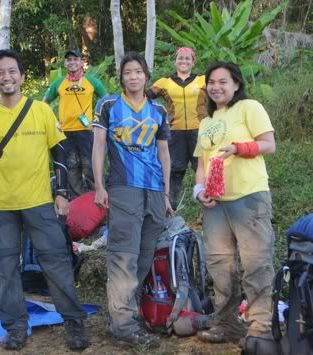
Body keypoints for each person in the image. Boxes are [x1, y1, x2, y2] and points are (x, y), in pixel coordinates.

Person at [0, 50, 90, 352]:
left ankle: (73, 321)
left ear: (22, 77)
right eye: (0, 73)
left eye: (12, 71)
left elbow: (59, 154)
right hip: (0, 207)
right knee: (6, 266)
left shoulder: (41, 111)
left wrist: (61, 193)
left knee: (56, 260)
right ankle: (15, 326)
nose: (6, 77)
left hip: (39, 202)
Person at [91, 51, 172, 348]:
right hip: (124, 187)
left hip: (154, 191)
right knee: (123, 255)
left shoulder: (158, 110)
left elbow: (164, 153)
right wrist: (99, 186)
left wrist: (166, 194)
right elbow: (98, 146)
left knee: (144, 256)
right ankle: (123, 326)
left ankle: (126, 316)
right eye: (128, 73)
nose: (133, 77)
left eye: (138, 72)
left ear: (146, 76)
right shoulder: (109, 105)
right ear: (122, 78)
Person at [193, 62, 276, 349]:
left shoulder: (249, 108)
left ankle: (260, 328)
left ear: (236, 84)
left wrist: (240, 148)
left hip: (249, 198)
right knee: (219, 265)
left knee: (256, 264)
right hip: (215, 204)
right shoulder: (206, 122)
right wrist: (198, 190)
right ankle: (227, 323)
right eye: (211, 82)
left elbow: (269, 144)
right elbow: (202, 164)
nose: (216, 87)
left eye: (223, 81)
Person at [147, 46, 206, 209]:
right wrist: (154, 119)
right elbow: (144, 98)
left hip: (200, 132)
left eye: (188, 58)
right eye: (180, 58)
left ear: (193, 62)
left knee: (203, 169)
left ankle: (208, 210)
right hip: (174, 132)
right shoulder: (164, 82)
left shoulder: (203, 80)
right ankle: (169, 209)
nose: (184, 61)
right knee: (174, 171)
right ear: (175, 61)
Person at [43, 49, 107, 199]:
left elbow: (106, 101)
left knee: (91, 167)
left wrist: (99, 122)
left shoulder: (92, 81)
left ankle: (97, 202)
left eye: (75, 59)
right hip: (65, 133)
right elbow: (44, 103)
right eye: (69, 60)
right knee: (71, 169)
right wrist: (53, 123)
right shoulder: (59, 83)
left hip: (87, 132)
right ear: (65, 63)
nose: (72, 62)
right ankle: (77, 203)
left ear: (82, 62)